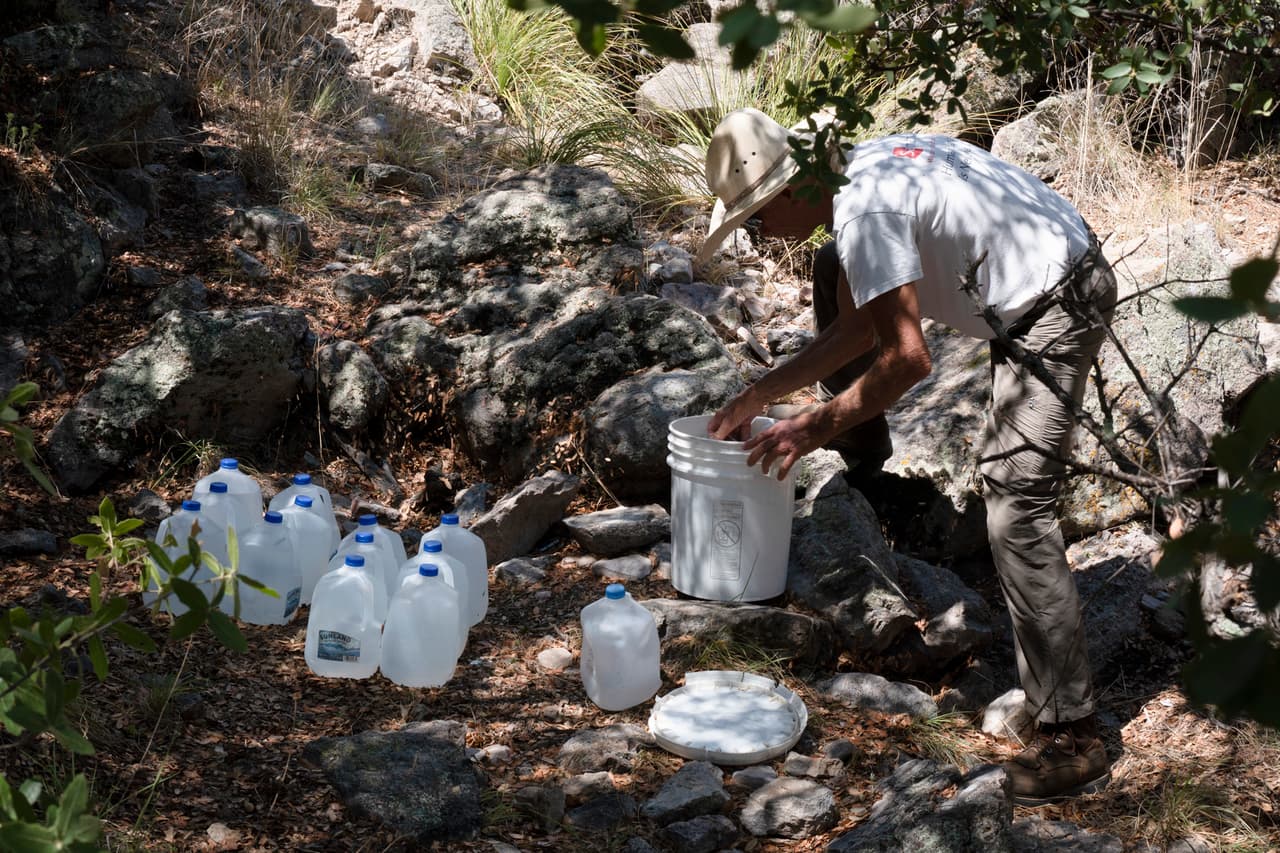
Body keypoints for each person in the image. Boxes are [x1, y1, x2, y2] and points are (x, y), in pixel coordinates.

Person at [696, 108, 1117, 805]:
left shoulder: (863, 210)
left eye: (754, 220)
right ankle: (874, 473)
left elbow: (907, 359)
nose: (758, 236)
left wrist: (808, 429)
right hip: (1039, 274)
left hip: (1060, 297)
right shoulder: (858, 177)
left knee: (1014, 501)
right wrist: (762, 390)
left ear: (788, 191)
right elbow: (860, 326)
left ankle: (1073, 733)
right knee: (835, 267)